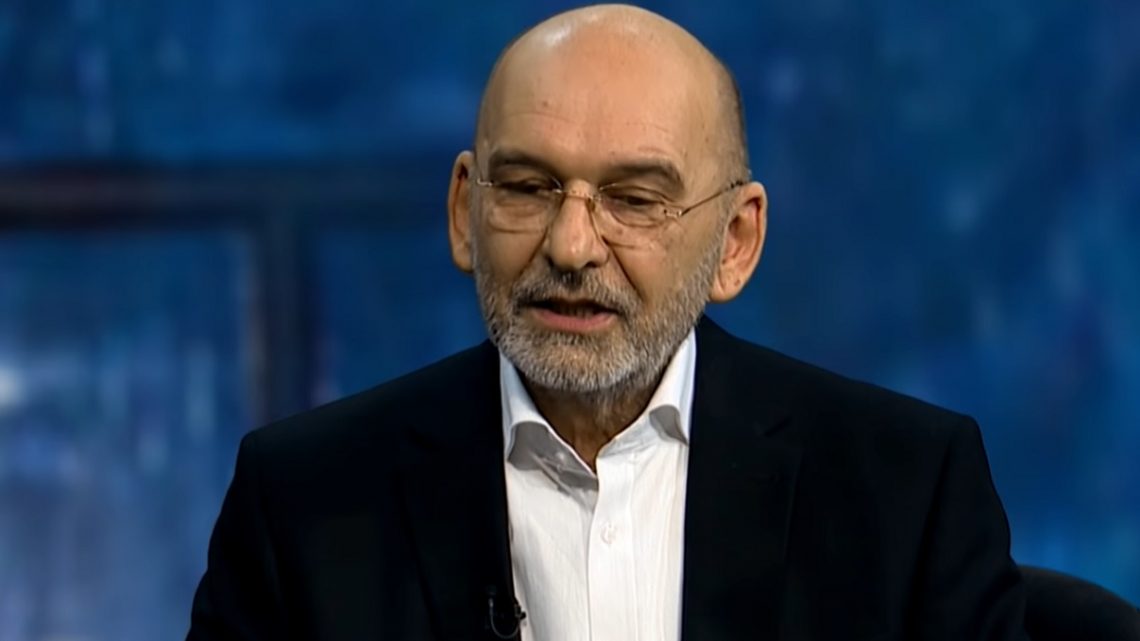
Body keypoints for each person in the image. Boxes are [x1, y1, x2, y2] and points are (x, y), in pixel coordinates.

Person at [187, 5, 1029, 640]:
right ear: (462, 212)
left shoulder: (907, 495)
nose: (572, 245)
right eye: (527, 188)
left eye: (634, 199)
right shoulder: (300, 502)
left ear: (735, 242)